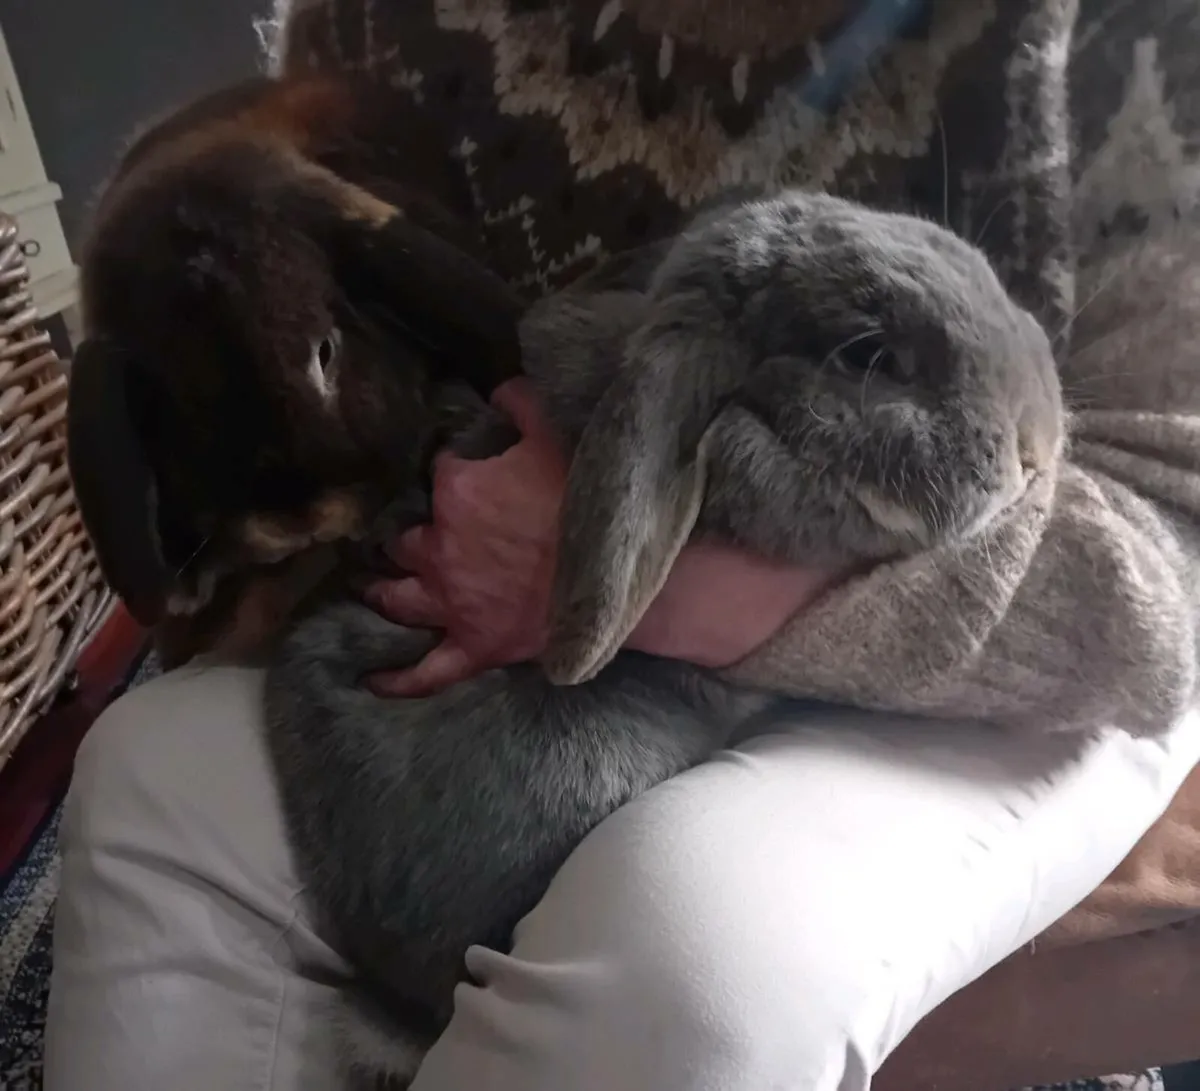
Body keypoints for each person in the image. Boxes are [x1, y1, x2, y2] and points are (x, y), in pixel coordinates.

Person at [44, 0, 1200, 1088]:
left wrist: (662, 583)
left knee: (686, 946)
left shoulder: (1132, 38)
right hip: (566, 585)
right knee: (153, 776)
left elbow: (1169, 553)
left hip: (994, 645)